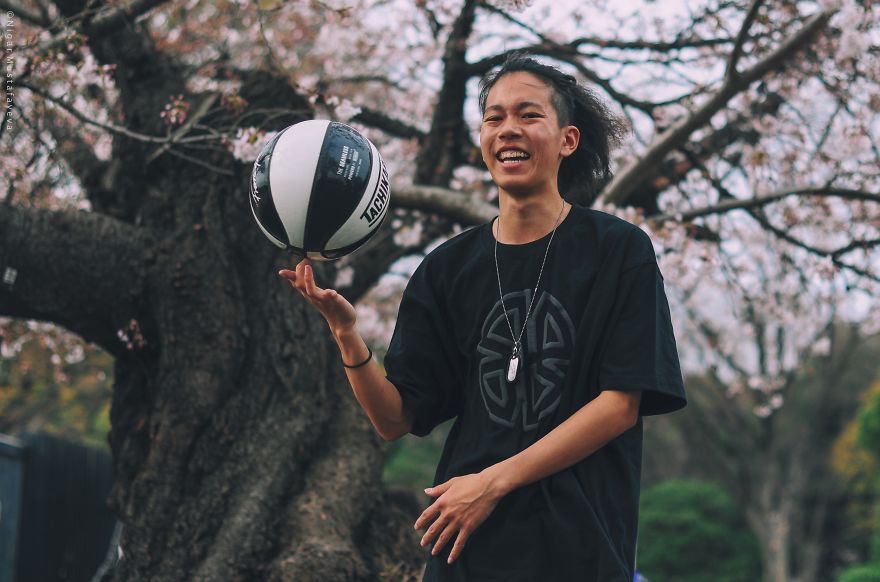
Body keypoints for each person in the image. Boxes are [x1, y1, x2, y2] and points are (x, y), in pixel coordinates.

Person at [280, 54, 687, 582]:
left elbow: (618, 407)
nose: (507, 130)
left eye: (528, 115)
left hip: (582, 551)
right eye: (493, 118)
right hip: (466, 553)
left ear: (568, 139)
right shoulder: (445, 270)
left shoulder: (617, 250)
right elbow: (394, 420)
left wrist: (492, 483)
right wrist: (347, 334)